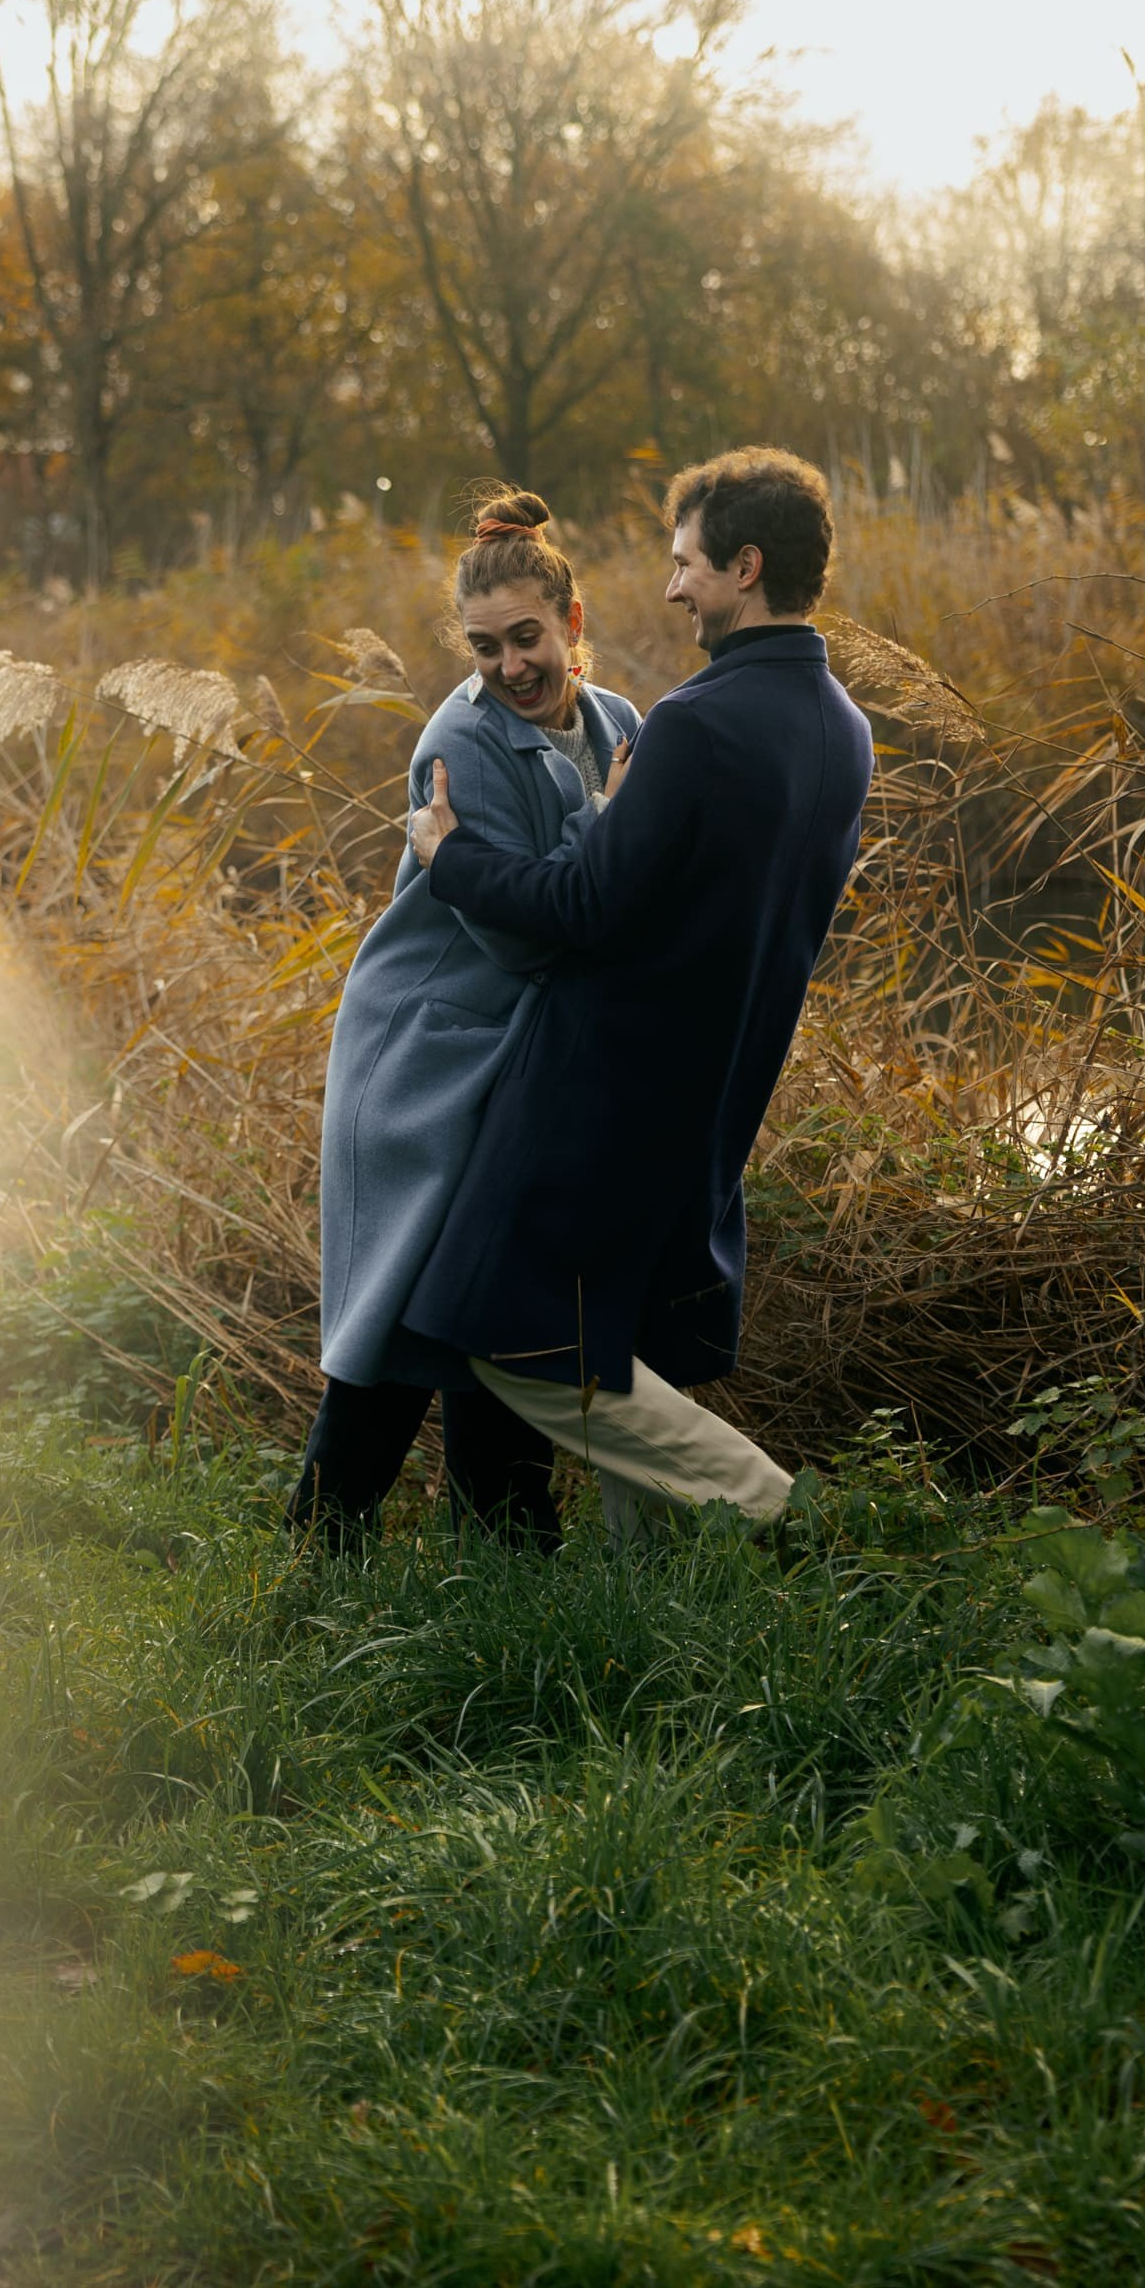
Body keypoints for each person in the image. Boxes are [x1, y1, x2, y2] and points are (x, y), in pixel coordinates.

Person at [401, 446, 874, 1538]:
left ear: (744, 567)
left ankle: (774, 1511)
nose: (670, 588)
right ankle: (649, 1597)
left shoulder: (695, 724)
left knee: (513, 1335)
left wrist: (449, 857)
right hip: (720, 1081)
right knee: (632, 1334)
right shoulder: (841, 725)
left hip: (608, 1080)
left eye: (683, 564)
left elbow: (582, 909)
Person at [284, 490, 642, 1547]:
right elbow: (531, 936)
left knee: (493, 1302)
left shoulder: (616, 720)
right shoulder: (461, 742)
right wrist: (609, 835)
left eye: (527, 638)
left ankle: (505, 1544)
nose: (509, 666)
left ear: (572, 623)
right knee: (403, 1316)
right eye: (485, 648)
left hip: (512, 1063)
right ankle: (315, 1553)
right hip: (427, 1060)